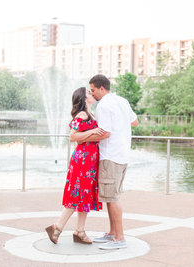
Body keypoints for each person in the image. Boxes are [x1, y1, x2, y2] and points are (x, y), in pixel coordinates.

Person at [75, 74, 138, 250]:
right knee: (111, 197)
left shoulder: (104, 105)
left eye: (93, 90)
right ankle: (112, 233)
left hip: (110, 155)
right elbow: (135, 122)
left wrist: (79, 136)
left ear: (102, 88)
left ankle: (119, 238)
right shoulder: (122, 101)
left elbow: (105, 132)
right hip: (122, 155)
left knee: (113, 198)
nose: (92, 94)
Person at [45, 87, 104, 245]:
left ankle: (80, 231)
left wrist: (91, 135)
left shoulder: (91, 114)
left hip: (89, 160)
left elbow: (83, 137)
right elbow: (73, 136)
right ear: (84, 99)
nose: (92, 94)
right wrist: (92, 134)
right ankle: (56, 228)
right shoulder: (82, 114)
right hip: (83, 159)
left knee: (84, 197)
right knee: (78, 196)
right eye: (88, 93)